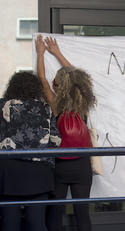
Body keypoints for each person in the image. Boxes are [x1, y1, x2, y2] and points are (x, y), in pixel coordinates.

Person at [35, 35, 96, 231]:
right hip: (82, 164)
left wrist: (41, 53)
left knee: (55, 213)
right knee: (82, 213)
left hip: (60, 164)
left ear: (58, 86)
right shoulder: (83, 105)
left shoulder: (55, 105)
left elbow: (41, 79)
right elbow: (76, 79)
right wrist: (57, 53)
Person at [0, 72, 61, 231]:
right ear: (36, 89)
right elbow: (56, 139)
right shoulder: (45, 108)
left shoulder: (2, 106)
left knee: (9, 223)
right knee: (37, 222)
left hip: (8, 170)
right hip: (38, 172)